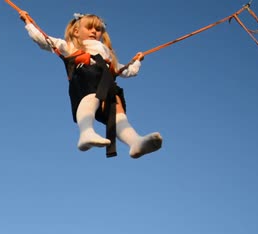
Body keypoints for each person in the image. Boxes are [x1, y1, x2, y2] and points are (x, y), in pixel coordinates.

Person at [20, 12, 163, 158]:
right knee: (92, 97)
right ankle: (86, 131)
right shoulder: (72, 47)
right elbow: (45, 40)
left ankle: (134, 142)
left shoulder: (108, 54)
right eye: (89, 28)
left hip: (106, 83)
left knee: (117, 112)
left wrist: (137, 62)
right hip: (85, 78)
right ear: (76, 31)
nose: (94, 31)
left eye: (98, 29)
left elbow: (125, 71)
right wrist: (29, 23)